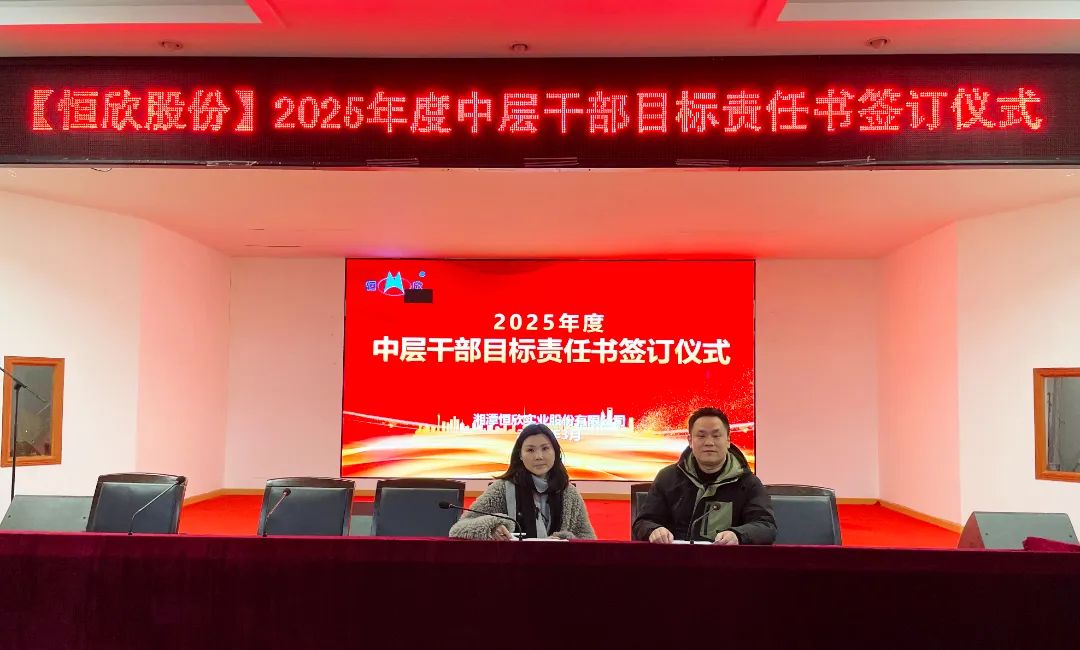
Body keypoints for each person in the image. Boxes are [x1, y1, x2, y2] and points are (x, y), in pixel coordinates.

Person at [633, 407, 775, 545]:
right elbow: (642, 522)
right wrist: (654, 530)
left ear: (728, 440)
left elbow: (766, 527)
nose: (709, 443)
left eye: (716, 436)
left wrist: (738, 535)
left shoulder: (748, 483)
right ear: (690, 441)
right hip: (676, 558)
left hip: (726, 559)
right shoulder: (667, 478)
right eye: (701, 436)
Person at [449, 423, 596, 540]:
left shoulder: (569, 493)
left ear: (556, 452)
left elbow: (588, 541)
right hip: (512, 564)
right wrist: (492, 527)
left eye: (545, 448)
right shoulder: (502, 488)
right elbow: (459, 528)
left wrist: (566, 540)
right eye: (530, 450)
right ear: (520, 455)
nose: (539, 456)